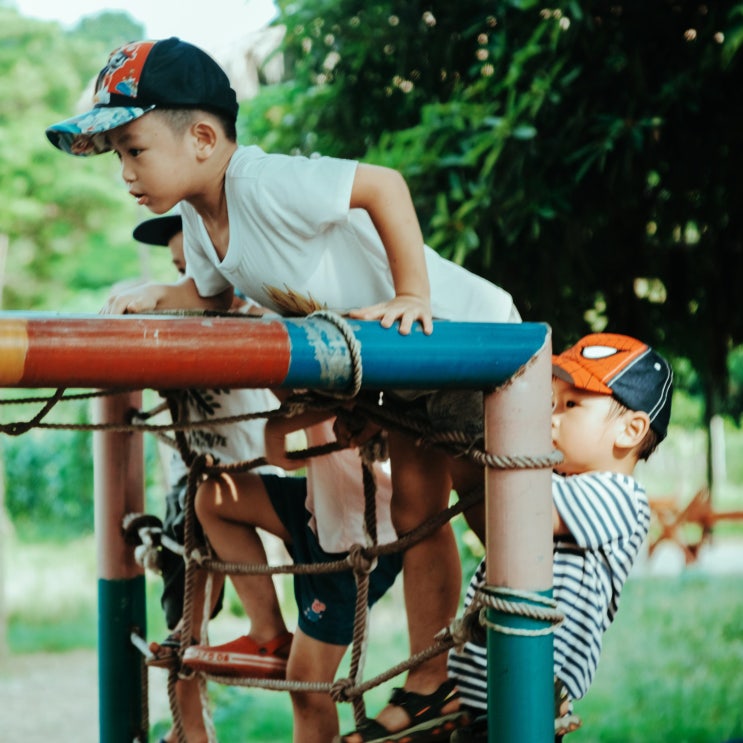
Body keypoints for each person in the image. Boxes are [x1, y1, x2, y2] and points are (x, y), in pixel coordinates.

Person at [46, 37, 521, 741]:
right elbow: (208, 297)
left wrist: (410, 291)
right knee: (421, 501)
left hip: (458, 334)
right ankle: (435, 680)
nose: (125, 172)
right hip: (398, 364)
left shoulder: (263, 184)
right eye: (116, 155)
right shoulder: (202, 223)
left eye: (134, 149)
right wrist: (156, 297)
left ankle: (524, 658)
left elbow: (382, 184)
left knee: (493, 511)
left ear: (202, 137)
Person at [447, 332, 674, 737]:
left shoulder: (620, 498)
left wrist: (486, 436)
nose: (550, 417)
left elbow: (526, 507)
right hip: (485, 696)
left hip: (528, 696)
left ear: (630, 430)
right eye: (550, 403)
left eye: (571, 405)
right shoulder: (556, 483)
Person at [131, 213, 283, 743]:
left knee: (196, 614)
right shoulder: (172, 322)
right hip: (190, 485)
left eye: (200, 274)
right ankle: (189, 731)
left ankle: (267, 637)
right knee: (185, 625)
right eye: (179, 272)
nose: (189, 286)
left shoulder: (258, 317)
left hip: (248, 476)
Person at [183, 405, 403, 743]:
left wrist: (279, 427)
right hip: (320, 501)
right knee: (215, 497)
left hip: (358, 528)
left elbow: (367, 389)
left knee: (306, 683)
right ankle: (267, 632)